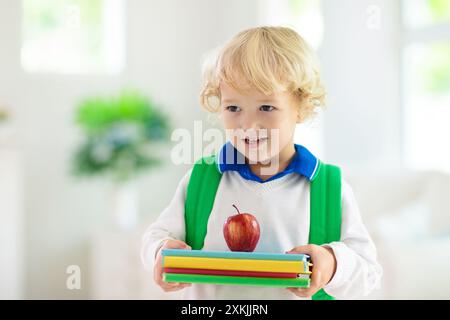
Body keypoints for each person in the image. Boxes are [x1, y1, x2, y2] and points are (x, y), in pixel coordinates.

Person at [141, 26, 382, 299]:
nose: (248, 125)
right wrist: (160, 252)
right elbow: (156, 235)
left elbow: (368, 275)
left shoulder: (329, 189)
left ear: (301, 107)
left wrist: (333, 263)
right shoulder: (201, 180)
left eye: (266, 107)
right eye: (233, 108)